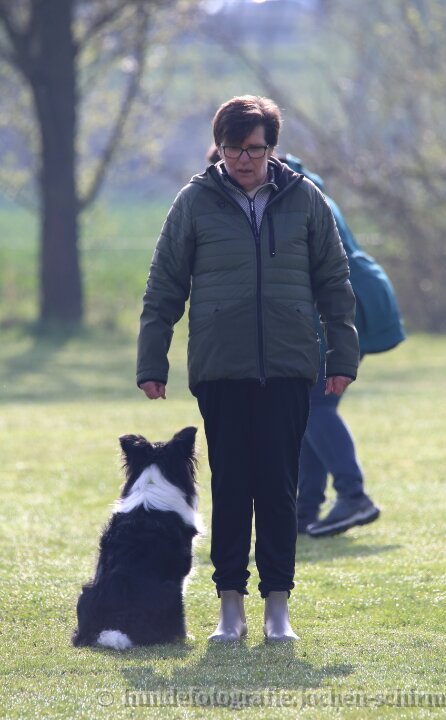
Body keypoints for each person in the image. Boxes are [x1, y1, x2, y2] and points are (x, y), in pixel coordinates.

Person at [136, 96, 359, 642]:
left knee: (280, 488)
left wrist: (342, 356)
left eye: (254, 149)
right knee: (232, 487)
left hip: (288, 367)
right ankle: (229, 608)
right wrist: (152, 360)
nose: (243, 159)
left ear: (272, 148)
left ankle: (278, 607)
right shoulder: (194, 201)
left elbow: (335, 282)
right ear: (220, 147)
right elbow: (164, 286)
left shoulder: (306, 199)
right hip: (221, 368)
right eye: (233, 148)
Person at [281, 155, 406, 537]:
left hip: (345, 302)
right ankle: (305, 511)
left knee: (314, 404)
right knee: (311, 406)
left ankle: (353, 496)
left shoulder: (294, 197)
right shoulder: (301, 188)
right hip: (355, 296)